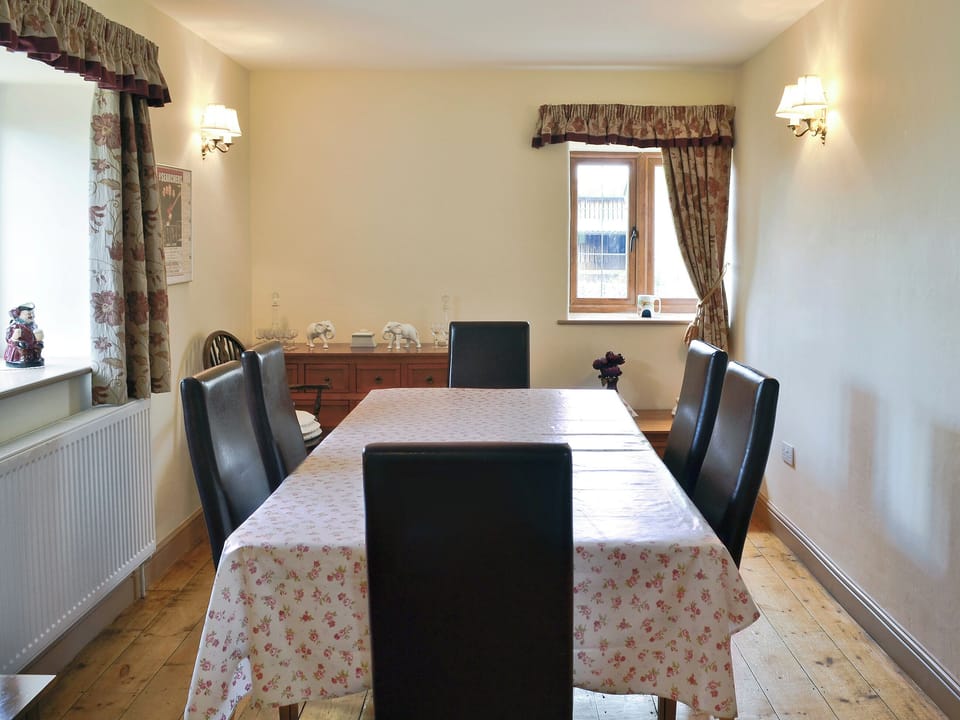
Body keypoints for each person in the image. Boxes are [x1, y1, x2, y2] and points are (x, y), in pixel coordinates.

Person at [5, 302, 44, 367]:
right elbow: (8, 340)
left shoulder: (33, 325)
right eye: (28, 314)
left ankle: (37, 356)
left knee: (39, 344)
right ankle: (23, 358)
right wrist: (14, 338)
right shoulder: (14, 326)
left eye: (32, 313)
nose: (31, 315)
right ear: (19, 315)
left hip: (31, 349)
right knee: (22, 345)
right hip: (17, 352)